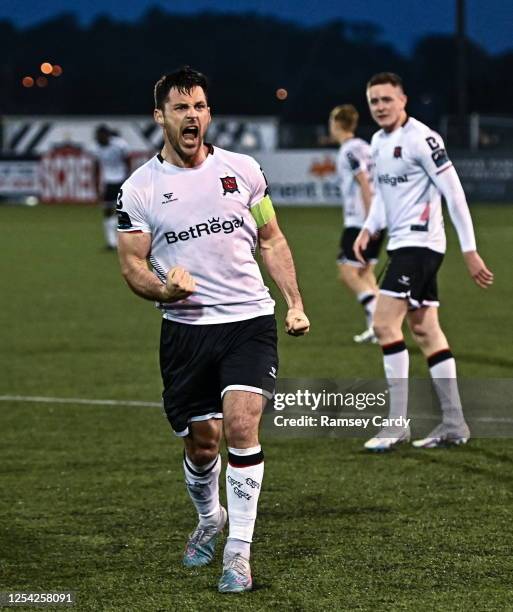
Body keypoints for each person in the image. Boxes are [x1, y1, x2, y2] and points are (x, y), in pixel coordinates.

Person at [116, 67, 309, 593]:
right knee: (203, 446)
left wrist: (293, 301)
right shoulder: (139, 189)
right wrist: (163, 291)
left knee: (242, 426)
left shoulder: (243, 171)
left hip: (248, 319)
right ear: (161, 117)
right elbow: (133, 264)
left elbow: (271, 238)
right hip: (186, 330)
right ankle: (209, 518)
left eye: (200, 106)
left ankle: (238, 553)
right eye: (181, 108)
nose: (193, 116)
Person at [353, 72, 493, 452]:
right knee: (427, 330)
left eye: (387, 99)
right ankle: (454, 423)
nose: (380, 107)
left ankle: (397, 425)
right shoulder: (378, 142)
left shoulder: (423, 139)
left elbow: (455, 193)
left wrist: (470, 249)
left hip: (421, 245)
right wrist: (369, 229)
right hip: (402, 246)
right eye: (374, 101)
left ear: (403, 100)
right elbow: (382, 195)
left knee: (383, 324)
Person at [329, 104, 384, 344]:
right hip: (378, 218)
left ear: (336, 124)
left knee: (347, 272)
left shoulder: (349, 150)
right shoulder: (367, 147)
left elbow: (363, 181)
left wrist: (370, 221)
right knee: (365, 272)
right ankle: (380, 327)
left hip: (360, 221)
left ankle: (377, 314)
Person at [92, 124, 130, 249]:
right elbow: (96, 168)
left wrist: (129, 179)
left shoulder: (120, 145)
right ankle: (111, 242)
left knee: (122, 211)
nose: (98, 139)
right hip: (108, 181)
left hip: (121, 180)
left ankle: (125, 241)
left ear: (107, 135)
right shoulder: (96, 148)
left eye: (100, 136)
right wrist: (97, 186)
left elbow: (127, 161)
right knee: (107, 211)